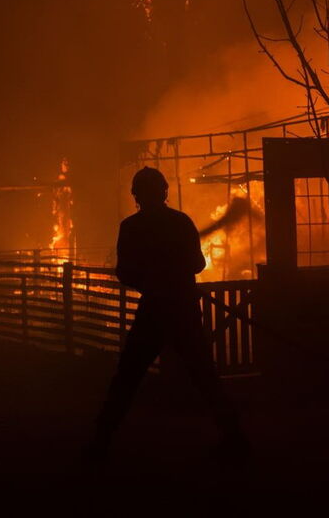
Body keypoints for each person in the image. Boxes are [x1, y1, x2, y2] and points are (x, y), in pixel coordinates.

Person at [87, 166, 248, 464]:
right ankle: (234, 438)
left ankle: (100, 442)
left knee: (127, 377)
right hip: (183, 309)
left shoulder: (132, 227)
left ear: (136, 194)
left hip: (154, 310)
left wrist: (150, 281)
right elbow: (198, 265)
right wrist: (173, 274)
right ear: (164, 192)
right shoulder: (181, 223)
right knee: (204, 375)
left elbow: (124, 272)